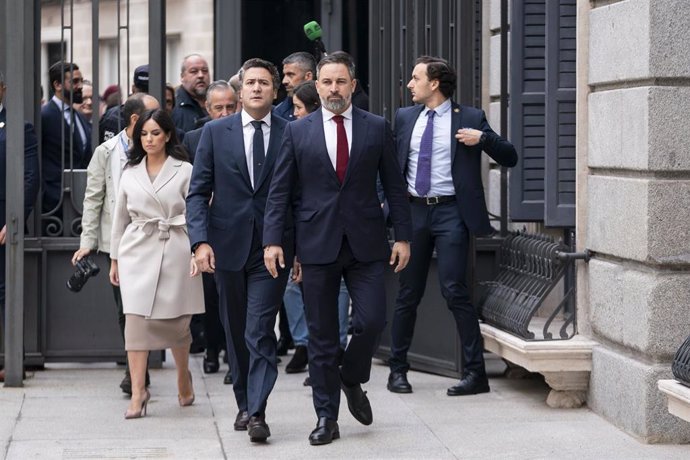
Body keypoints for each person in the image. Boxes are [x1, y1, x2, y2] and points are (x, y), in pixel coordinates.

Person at [263, 53, 412, 446]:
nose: (333, 89)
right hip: (316, 244)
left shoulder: (377, 127)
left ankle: (351, 375)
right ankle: (326, 417)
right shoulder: (298, 131)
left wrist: (402, 236)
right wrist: (274, 241)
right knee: (322, 336)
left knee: (372, 321)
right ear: (318, 86)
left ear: (353, 85)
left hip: (366, 243)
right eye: (326, 82)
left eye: (340, 82)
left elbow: (395, 186)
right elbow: (280, 191)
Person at [387, 56, 518, 397]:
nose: (409, 84)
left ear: (434, 84)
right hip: (414, 212)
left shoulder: (471, 118)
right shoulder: (405, 117)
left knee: (454, 290)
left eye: (415, 78)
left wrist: (483, 139)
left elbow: (511, 156)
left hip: (450, 214)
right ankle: (397, 370)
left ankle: (476, 374)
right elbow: (387, 164)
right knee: (408, 292)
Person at [187, 58, 292, 443]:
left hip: (273, 249)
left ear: (275, 91)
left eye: (265, 82)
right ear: (240, 89)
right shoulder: (214, 133)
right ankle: (244, 401)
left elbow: (299, 196)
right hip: (226, 246)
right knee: (235, 332)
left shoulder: (291, 132)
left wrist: (296, 250)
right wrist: (199, 243)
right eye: (250, 82)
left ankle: (258, 411)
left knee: (260, 328)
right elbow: (197, 193)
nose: (257, 88)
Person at [109, 108, 204, 418]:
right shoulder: (129, 172)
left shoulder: (185, 170)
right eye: (144, 134)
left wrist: (197, 249)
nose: (149, 139)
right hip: (136, 250)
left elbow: (199, 212)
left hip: (176, 247)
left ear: (167, 136)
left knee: (177, 324)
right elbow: (119, 219)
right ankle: (138, 393)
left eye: (155, 133)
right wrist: (114, 258)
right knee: (135, 325)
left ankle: (182, 376)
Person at [72, 93, 160, 394]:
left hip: (155, 241)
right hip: (119, 246)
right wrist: (88, 241)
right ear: (135, 120)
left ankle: (151, 364)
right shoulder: (106, 152)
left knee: (154, 308)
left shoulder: (162, 147)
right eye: (153, 115)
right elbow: (93, 197)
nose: (160, 121)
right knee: (126, 310)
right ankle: (135, 369)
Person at [282, 81, 350, 380]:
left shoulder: (366, 127)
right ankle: (312, 349)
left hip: (353, 233)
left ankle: (338, 350)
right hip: (311, 232)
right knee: (298, 290)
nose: (294, 113)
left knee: (359, 306)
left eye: (298, 108)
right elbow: (285, 190)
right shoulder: (296, 134)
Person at [181, 80, 237, 384]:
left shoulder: (247, 132)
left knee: (233, 295)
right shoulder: (194, 138)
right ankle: (212, 350)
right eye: (219, 108)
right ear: (207, 108)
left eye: (231, 106)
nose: (226, 113)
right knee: (211, 296)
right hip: (208, 227)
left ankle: (233, 354)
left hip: (237, 227)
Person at [0, 71, 40, 383]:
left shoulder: (18, 127)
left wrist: (13, 218)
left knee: (7, 291)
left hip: (4, 222)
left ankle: (11, 359)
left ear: (3, 90)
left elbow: (29, 177)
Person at [41, 61, 92, 214]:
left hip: (80, 200)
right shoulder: (44, 116)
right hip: (53, 205)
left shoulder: (80, 117)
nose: (80, 86)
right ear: (58, 85)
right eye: (75, 81)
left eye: (81, 80)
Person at [99, 65, 150, 143]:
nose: (144, 97)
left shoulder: (114, 116)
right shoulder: (114, 118)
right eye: (141, 91)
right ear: (133, 89)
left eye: (148, 92)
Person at [172, 54, 211, 132]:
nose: (201, 75)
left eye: (205, 71)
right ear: (182, 77)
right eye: (194, 71)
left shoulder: (217, 101)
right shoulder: (173, 105)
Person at [274, 52, 316, 122]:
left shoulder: (328, 107)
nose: (284, 81)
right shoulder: (279, 112)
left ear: (308, 76)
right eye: (284, 75)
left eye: (290, 74)